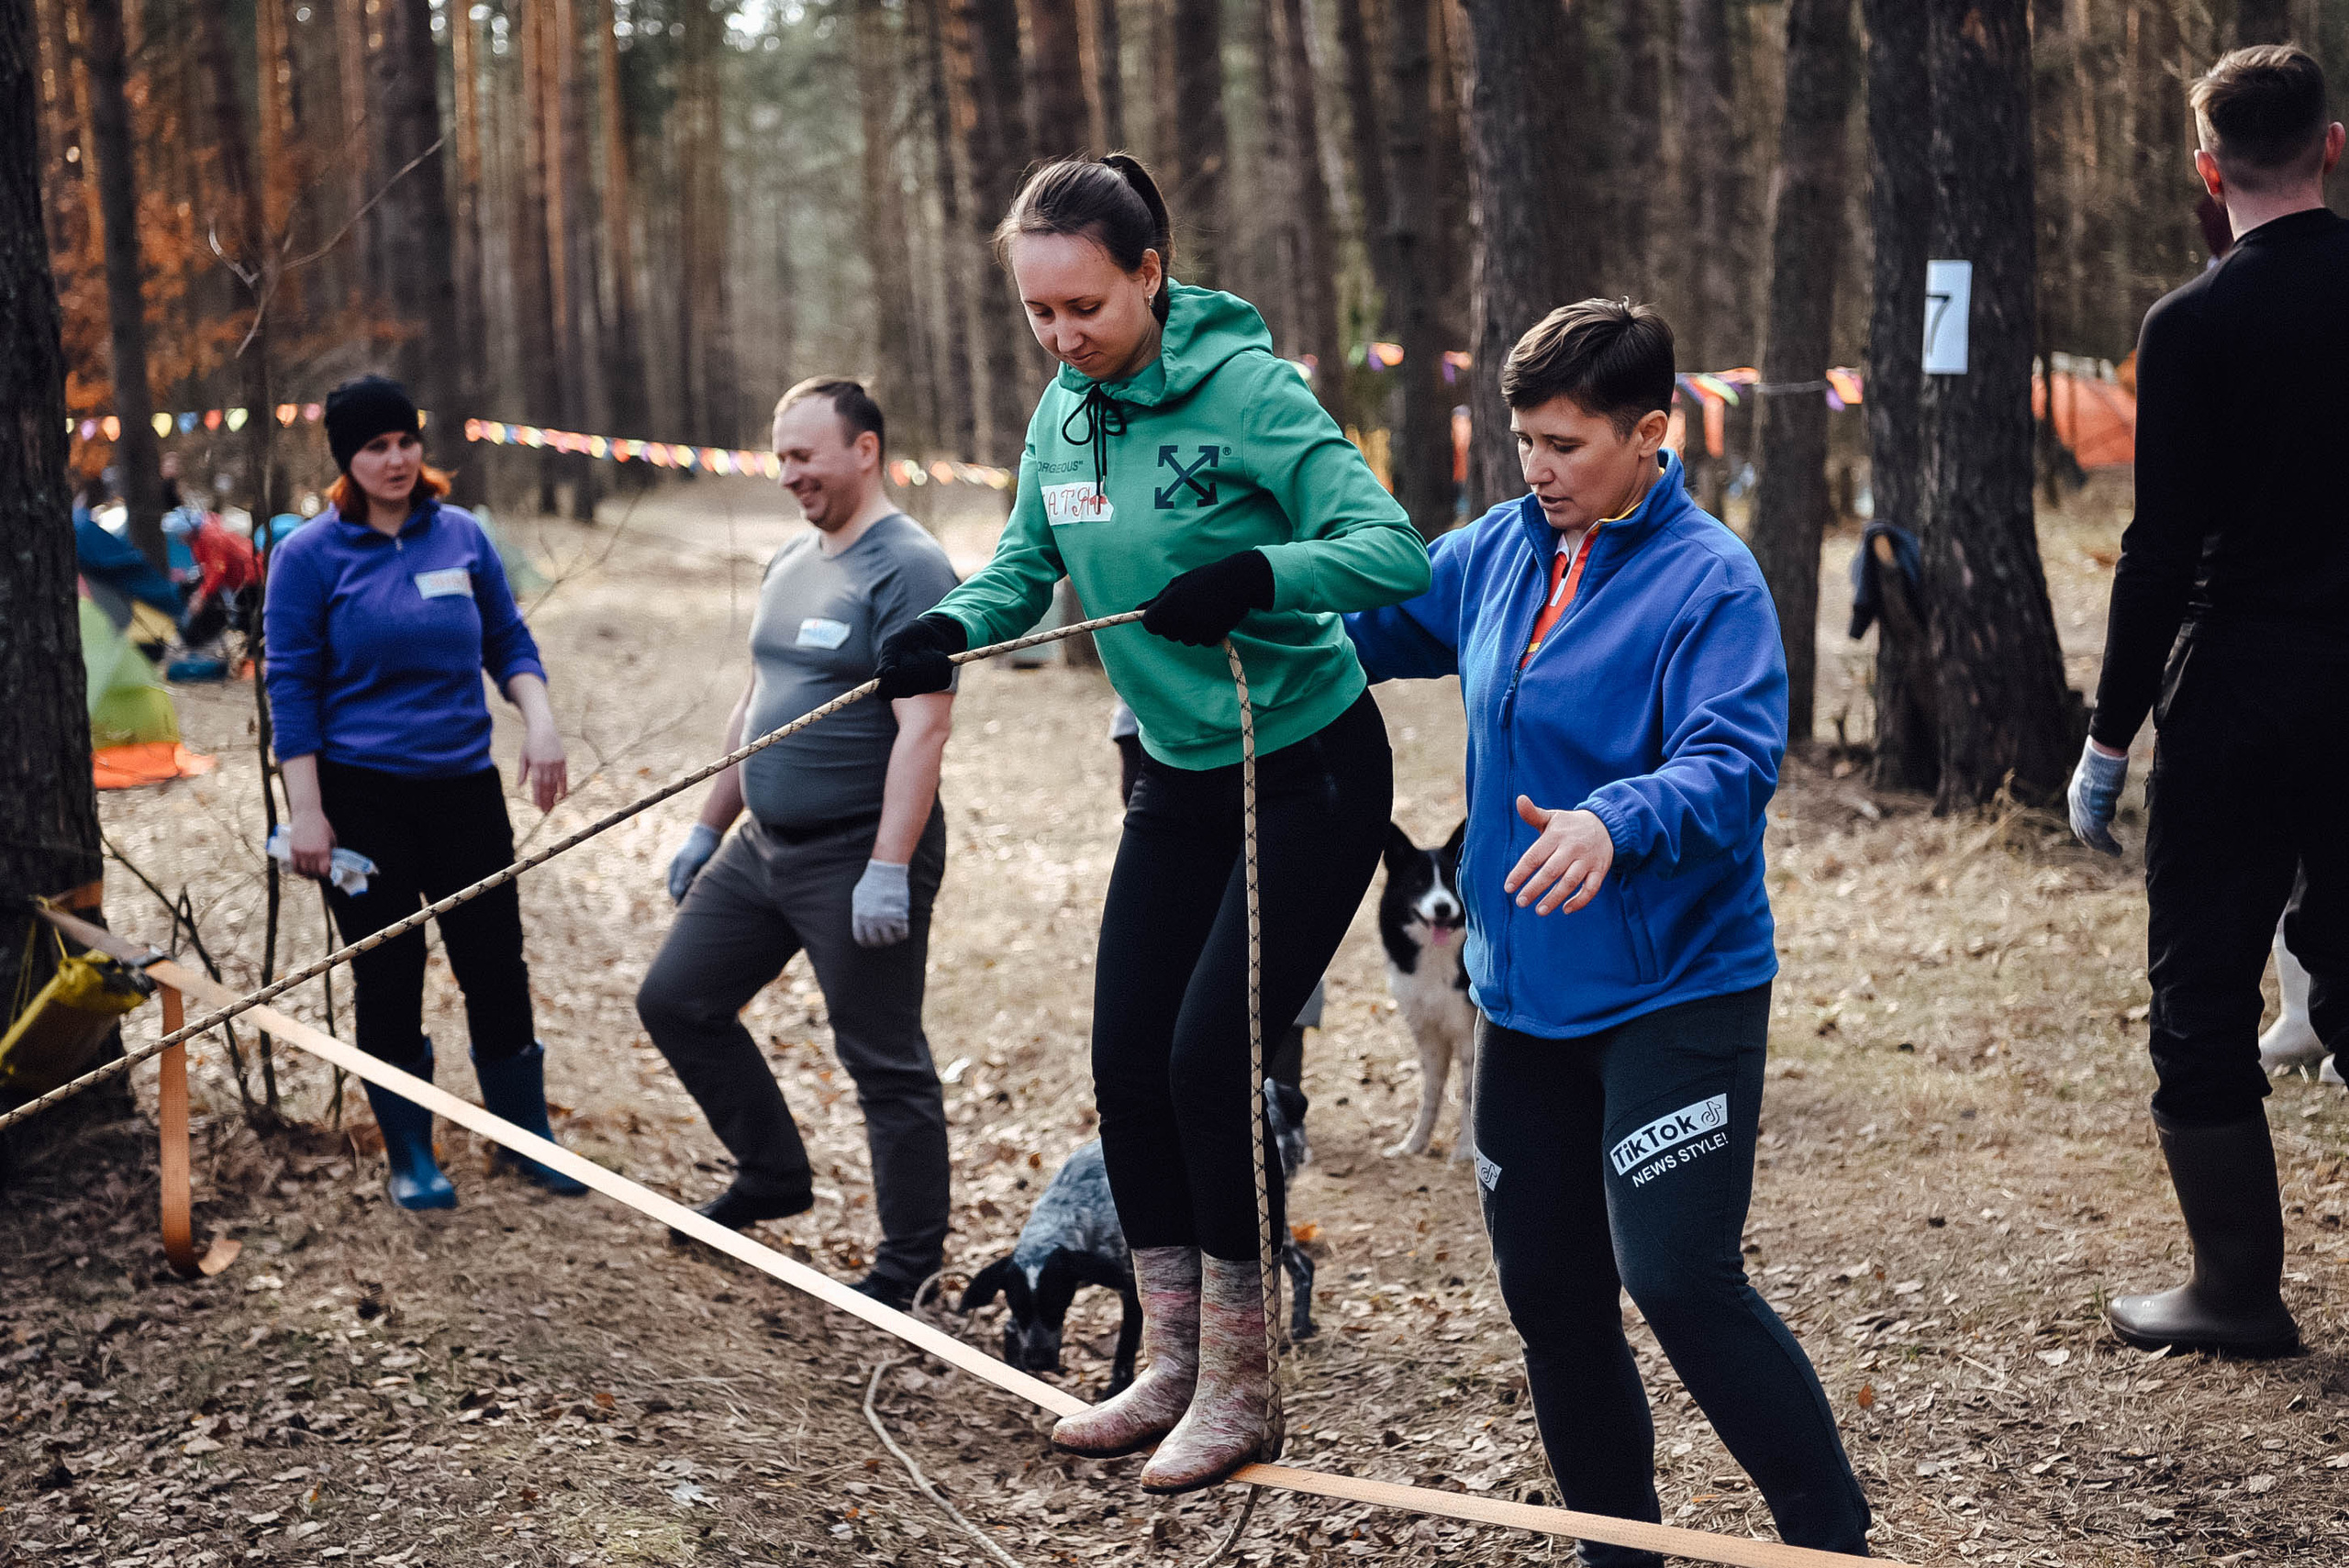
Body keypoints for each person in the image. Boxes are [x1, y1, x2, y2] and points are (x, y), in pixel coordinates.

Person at [875, 155, 1429, 1494]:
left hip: (1307, 769)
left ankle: (1242, 1387)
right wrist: (951, 624)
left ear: (1149, 274)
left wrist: (1257, 572)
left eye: (1086, 307)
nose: (1064, 337)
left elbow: (1390, 548)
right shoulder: (1065, 418)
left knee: (1201, 1062)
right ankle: (1169, 1364)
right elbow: (1023, 568)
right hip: (1178, 776)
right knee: (1125, 1059)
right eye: (1039, 313)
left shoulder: (1249, 392)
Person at [1345, 301, 1872, 1564]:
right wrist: (1251, 608)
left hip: (1674, 991)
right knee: (1551, 1295)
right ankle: (1614, 1551)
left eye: (1565, 444)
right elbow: (1366, 624)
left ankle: (1830, 1536)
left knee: (1679, 1277)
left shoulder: (1711, 580)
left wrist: (1612, 821)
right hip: (1520, 994)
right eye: (1523, 439)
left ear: (1653, 432)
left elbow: (1735, 763)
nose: (1536, 468)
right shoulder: (1497, 549)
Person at [2068, 44, 2348, 1356]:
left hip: (2237, 690)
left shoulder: (2189, 327)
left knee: (2202, 988)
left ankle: (2236, 1290)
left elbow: (2160, 551)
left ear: (2206, 168)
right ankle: (2229, 1288)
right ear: (2332, 146)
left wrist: (2109, 736)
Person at [635, 378, 961, 1312]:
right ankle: (774, 1172)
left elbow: (924, 728)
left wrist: (889, 866)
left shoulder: (910, 568)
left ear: (864, 450)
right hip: (763, 847)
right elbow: (756, 703)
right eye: (780, 456)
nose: (789, 476)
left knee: (881, 1058)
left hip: (856, 852)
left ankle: (910, 1264)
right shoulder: (790, 557)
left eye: (804, 456)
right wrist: (708, 825)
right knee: (677, 999)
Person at [264, 374, 584, 1210]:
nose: (397, 458)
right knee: (389, 971)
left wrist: (539, 721)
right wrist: (306, 811)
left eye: (406, 441)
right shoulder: (307, 558)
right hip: (360, 798)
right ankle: (413, 1153)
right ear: (347, 458)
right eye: (376, 446)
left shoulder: (462, 538)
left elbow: (508, 639)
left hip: (463, 788)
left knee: (494, 964)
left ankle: (525, 1139)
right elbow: (291, 691)